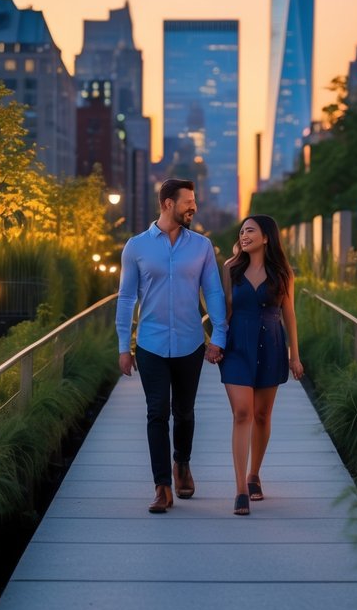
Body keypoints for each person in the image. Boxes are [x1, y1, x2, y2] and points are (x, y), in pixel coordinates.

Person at [116, 179, 227, 514]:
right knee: (156, 413)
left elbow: (214, 292)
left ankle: (182, 464)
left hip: (190, 343)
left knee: (184, 412)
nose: (193, 207)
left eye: (194, 201)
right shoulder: (136, 247)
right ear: (167, 203)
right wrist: (124, 345)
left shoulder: (202, 246)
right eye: (188, 202)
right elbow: (126, 298)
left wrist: (219, 335)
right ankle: (162, 486)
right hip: (150, 344)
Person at [215, 214, 303, 515]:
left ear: (266, 237)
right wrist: (214, 340)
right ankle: (240, 488)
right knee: (243, 413)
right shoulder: (230, 268)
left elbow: (289, 314)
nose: (243, 236)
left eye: (250, 231)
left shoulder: (282, 272)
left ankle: (255, 475)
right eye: (241, 232)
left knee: (262, 415)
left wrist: (295, 355)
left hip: (272, 344)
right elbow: (223, 309)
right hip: (237, 344)